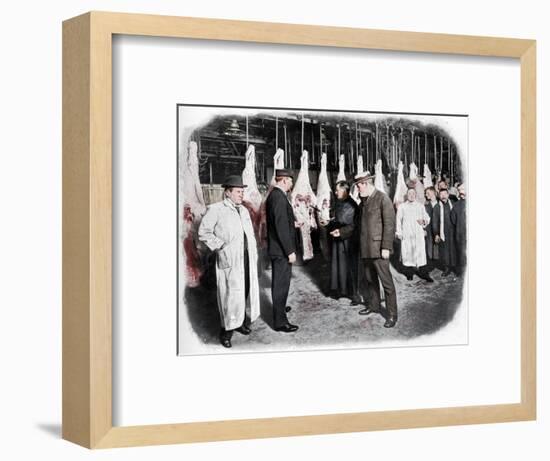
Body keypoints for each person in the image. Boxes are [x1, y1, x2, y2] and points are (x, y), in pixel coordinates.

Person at [198, 175, 260, 348]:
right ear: (227, 193)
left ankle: (239, 323)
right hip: (230, 260)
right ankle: (225, 332)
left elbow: (249, 234)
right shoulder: (216, 209)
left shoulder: (244, 210)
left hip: (246, 259)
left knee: (244, 291)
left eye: (242, 191)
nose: (241, 195)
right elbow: (203, 232)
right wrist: (219, 246)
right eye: (238, 192)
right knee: (230, 297)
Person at [336, 171, 398, 328]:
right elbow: (357, 225)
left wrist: (386, 247)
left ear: (365, 184)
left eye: (358, 186)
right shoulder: (364, 202)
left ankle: (392, 314)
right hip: (366, 248)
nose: (357, 190)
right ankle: (374, 305)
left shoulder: (383, 199)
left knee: (387, 283)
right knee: (370, 280)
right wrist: (342, 232)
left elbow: (390, 225)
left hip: (379, 249)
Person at [265, 169, 299, 333]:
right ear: (284, 180)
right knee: (280, 284)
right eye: (291, 181)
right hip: (281, 251)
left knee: (282, 284)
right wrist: (289, 251)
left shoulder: (276, 195)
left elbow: (281, 222)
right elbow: (280, 226)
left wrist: (293, 224)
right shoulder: (278, 197)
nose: (292, 185)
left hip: (278, 248)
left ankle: (280, 308)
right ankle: (280, 322)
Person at [326, 181, 361, 304]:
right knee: (339, 265)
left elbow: (346, 221)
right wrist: (329, 222)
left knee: (349, 267)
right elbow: (337, 219)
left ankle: (354, 294)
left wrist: (332, 222)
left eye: (337, 190)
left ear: (345, 190)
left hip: (348, 240)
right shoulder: (340, 203)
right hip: (339, 238)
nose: (335, 192)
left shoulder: (351, 205)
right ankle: (341, 290)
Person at [395, 188, 433, 282]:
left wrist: (424, 221)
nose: (411, 195)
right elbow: (398, 220)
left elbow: (427, 218)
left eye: (413, 193)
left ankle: (424, 273)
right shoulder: (402, 206)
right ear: (407, 195)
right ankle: (409, 273)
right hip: (407, 233)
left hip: (418, 233)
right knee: (408, 254)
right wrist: (399, 232)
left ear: (416, 195)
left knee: (420, 254)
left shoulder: (420, 206)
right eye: (409, 193)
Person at [432, 188, 456, 276]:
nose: (443, 196)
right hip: (443, 232)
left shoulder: (453, 204)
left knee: (454, 250)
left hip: (453, 231)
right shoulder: (437, 207)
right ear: (439, 196)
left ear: (448, 195)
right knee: (445, 252)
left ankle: (455, 267)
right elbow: (434, 221)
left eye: (445, 194)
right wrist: (436, 233)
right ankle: (447, 268)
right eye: (441, 195)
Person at [451, 183, 467, 276]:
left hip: (460, 232)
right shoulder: (457, 205)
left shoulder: (456, 205)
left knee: (461, 252)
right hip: (461, 232)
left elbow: (453, 219)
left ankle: (462, 271)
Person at [424, 186, 439, 272]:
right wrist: (424, 229)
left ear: (433, 193)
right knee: (429, 246)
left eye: (428, 193)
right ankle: (431, 263)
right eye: (426, 194)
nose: (426, 195)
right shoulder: (426, 206)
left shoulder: (439, 204)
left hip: (438, 229)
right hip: (429, 230)